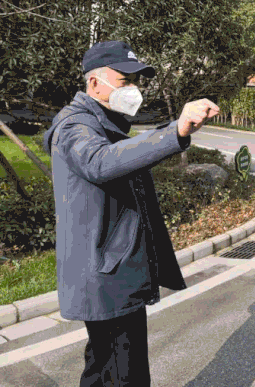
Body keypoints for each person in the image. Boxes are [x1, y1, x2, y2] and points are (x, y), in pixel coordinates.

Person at [43, 40, 219, 387]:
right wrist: (175, 131)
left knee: (103, 367)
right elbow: (100, 162)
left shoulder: (106, 122)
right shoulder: (74, 126)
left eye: (137, 81)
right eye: (125, 81)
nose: (134, 89)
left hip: (112, 269)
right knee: (123, 373)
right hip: (106, 274)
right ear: (95, 83)